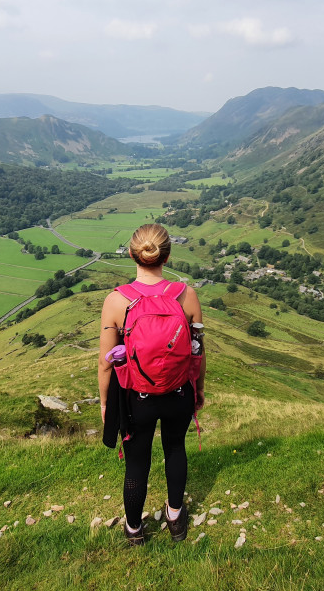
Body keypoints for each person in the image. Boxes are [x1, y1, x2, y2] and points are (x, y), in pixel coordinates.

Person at [98, 223, 206, 545]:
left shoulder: (117, 301)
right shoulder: (187, 296)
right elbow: (198, 351)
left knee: (137, 460)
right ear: (167, 256)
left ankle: (134, 530)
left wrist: (106, 403)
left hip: (136, 399)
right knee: (175, 448)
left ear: (132, 254)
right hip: (179, 392)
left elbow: (106, 363)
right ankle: (175, 519)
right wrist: (198, 389)